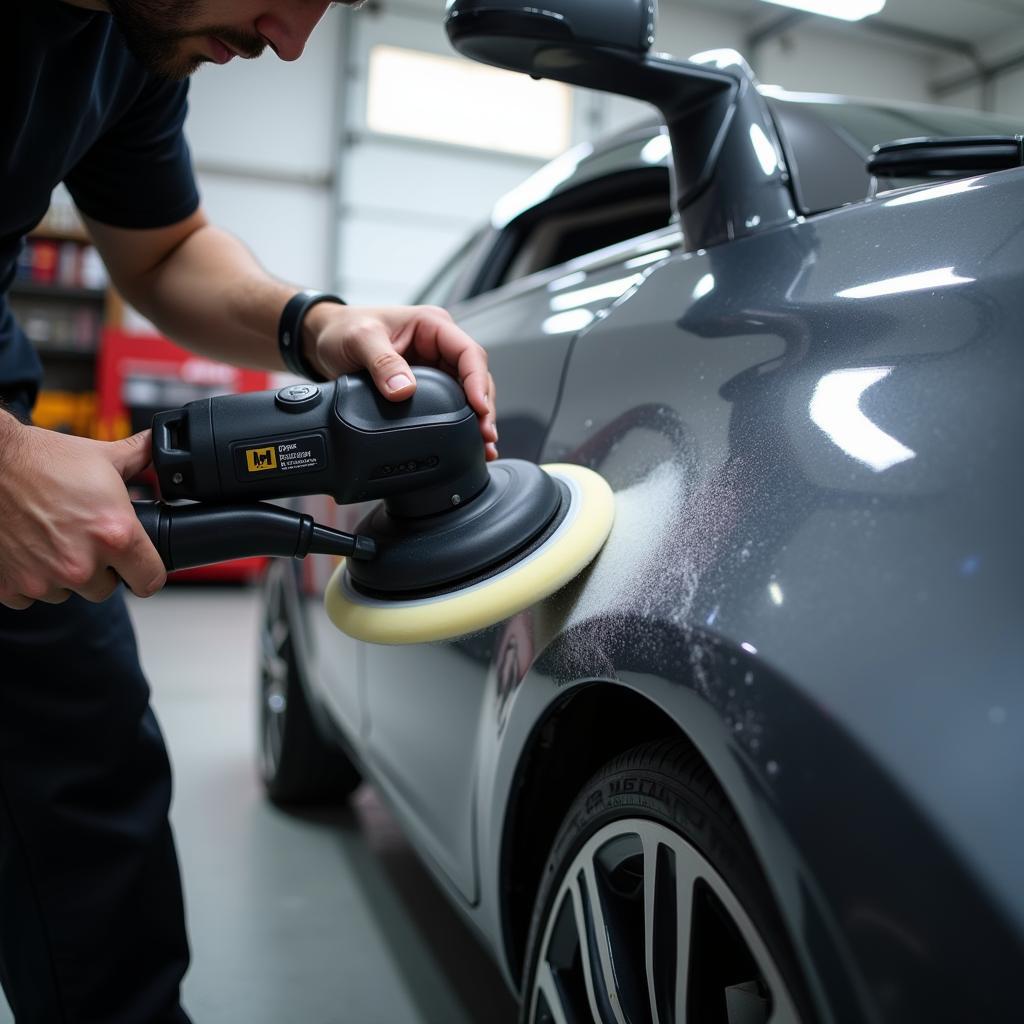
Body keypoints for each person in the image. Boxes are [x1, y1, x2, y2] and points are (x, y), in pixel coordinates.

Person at [0, 1, 499, 1020]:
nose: (290, 40)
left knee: (92, 796)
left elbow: (164, 247)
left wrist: (317, 325)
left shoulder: (126, 39)